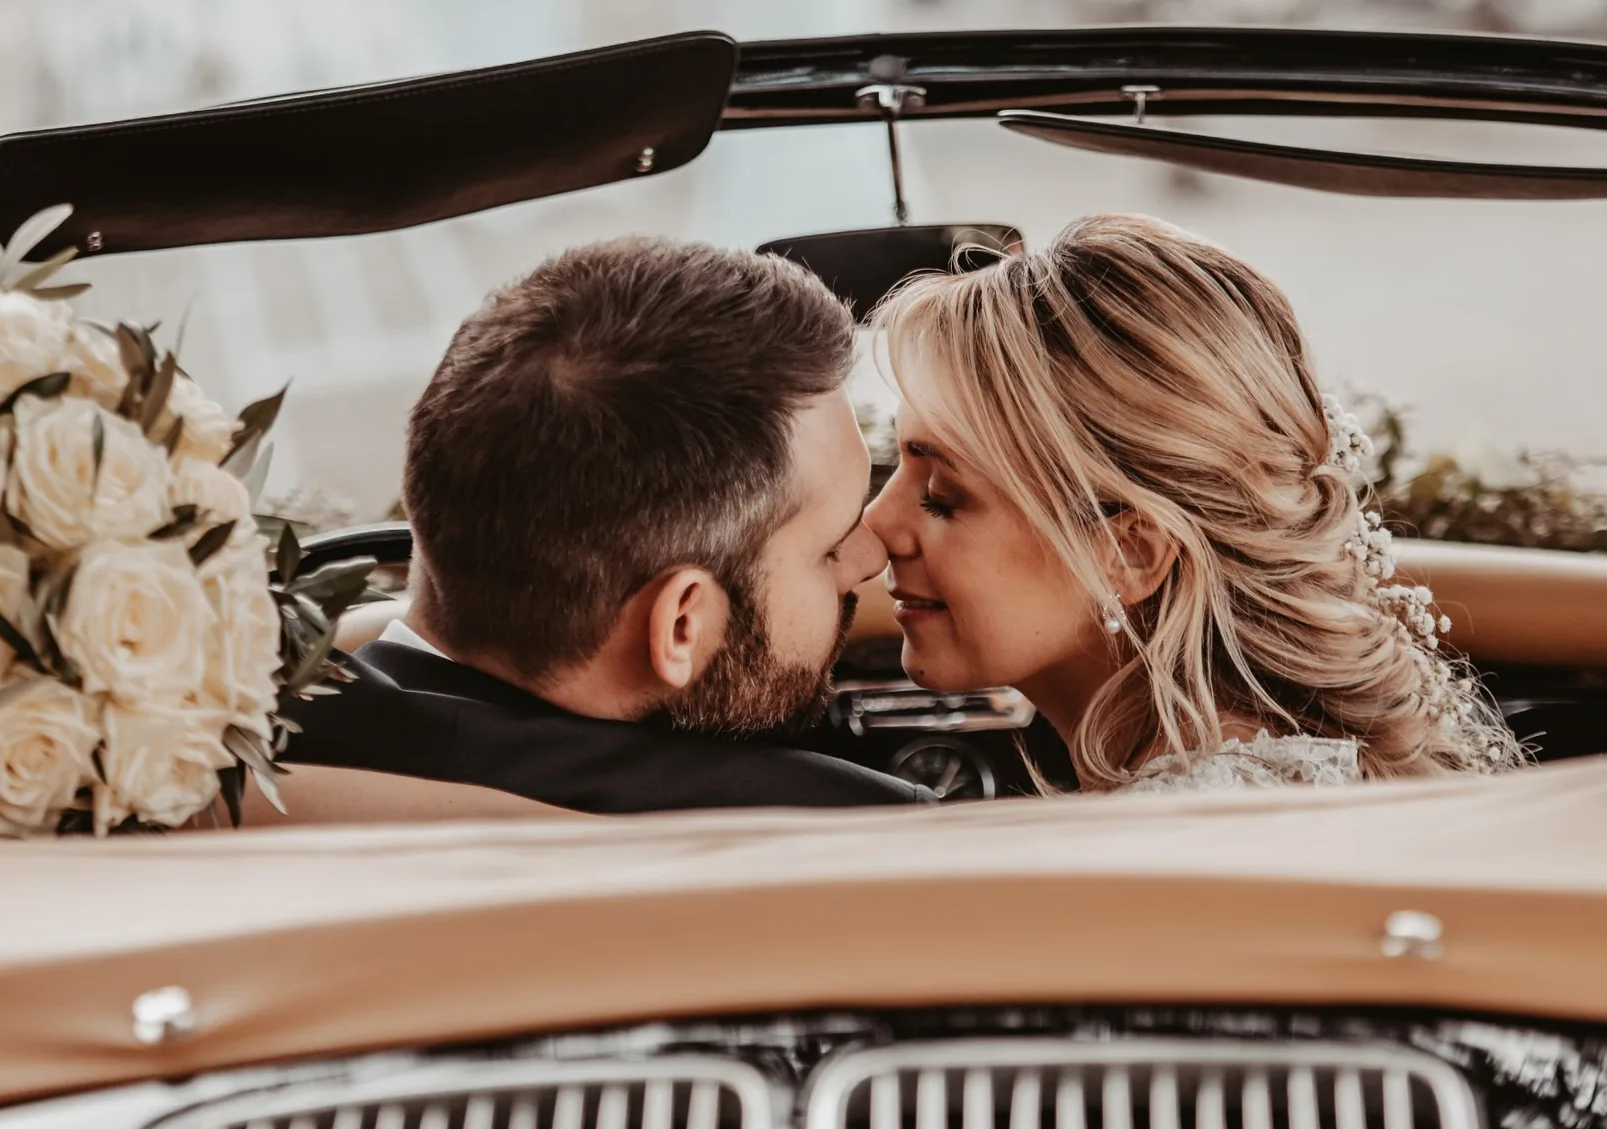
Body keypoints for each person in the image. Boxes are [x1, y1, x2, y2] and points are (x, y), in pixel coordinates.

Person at [862, 213, 1524, 793]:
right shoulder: (1266, 779)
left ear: (1129, 551)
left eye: (944, 496)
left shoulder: (1167, 843)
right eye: (893, 464)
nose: (878, 522)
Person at [281, 237, 939, 813]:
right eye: (830, 546)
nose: (869, 557)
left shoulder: (222, 747)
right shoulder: (863, 835)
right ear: (682, 623)